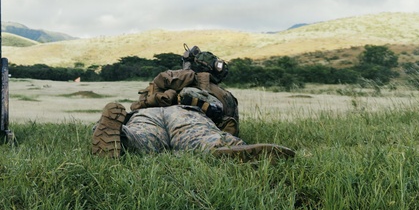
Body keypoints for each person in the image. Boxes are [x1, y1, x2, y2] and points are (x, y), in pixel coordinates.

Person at [91, 45, 295, 161]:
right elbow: (230, 122)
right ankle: (227, 148)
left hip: (149, 114)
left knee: (144, 136)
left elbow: (141, 102)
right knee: (198, 137)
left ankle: (123, 137)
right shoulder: (218, 91)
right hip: (187, 114)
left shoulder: (167, 79)